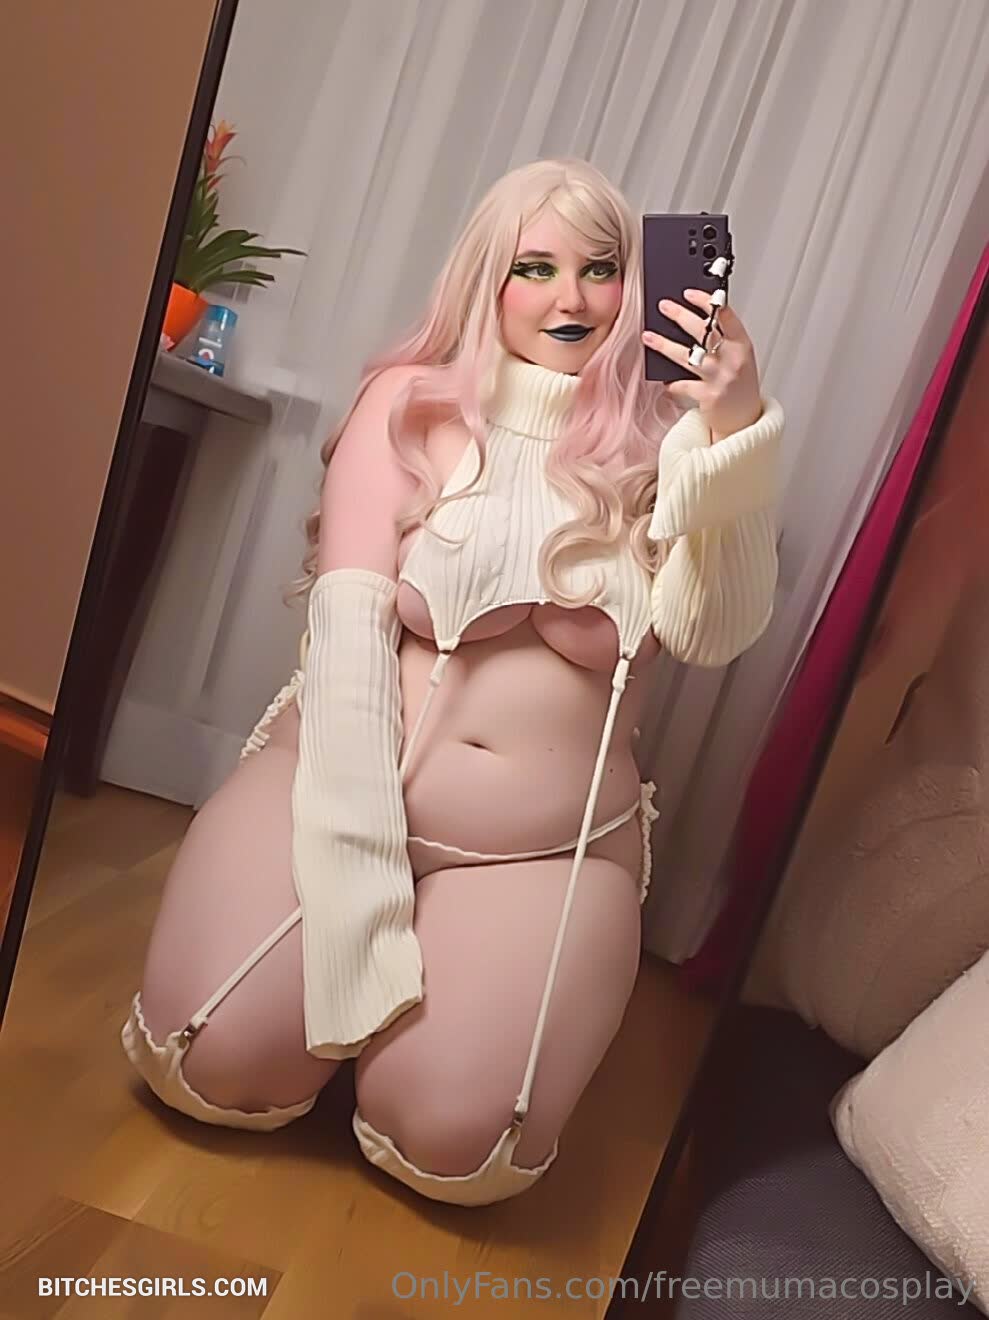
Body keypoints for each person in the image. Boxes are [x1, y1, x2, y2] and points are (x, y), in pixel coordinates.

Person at [121, 158, 784, 1206]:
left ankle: (415, 1038)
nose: (571, 299)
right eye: (535, 267)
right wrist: (359, 880)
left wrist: (732, 436)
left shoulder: (669, 445)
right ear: (488, 278)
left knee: (461, 1150)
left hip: (545, 848)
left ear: (637, 285)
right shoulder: (413, 403)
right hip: (341, 788)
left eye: (600, 269)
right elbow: (347, 629)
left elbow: (712, 632)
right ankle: (353, 1018)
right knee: (204, 1064)